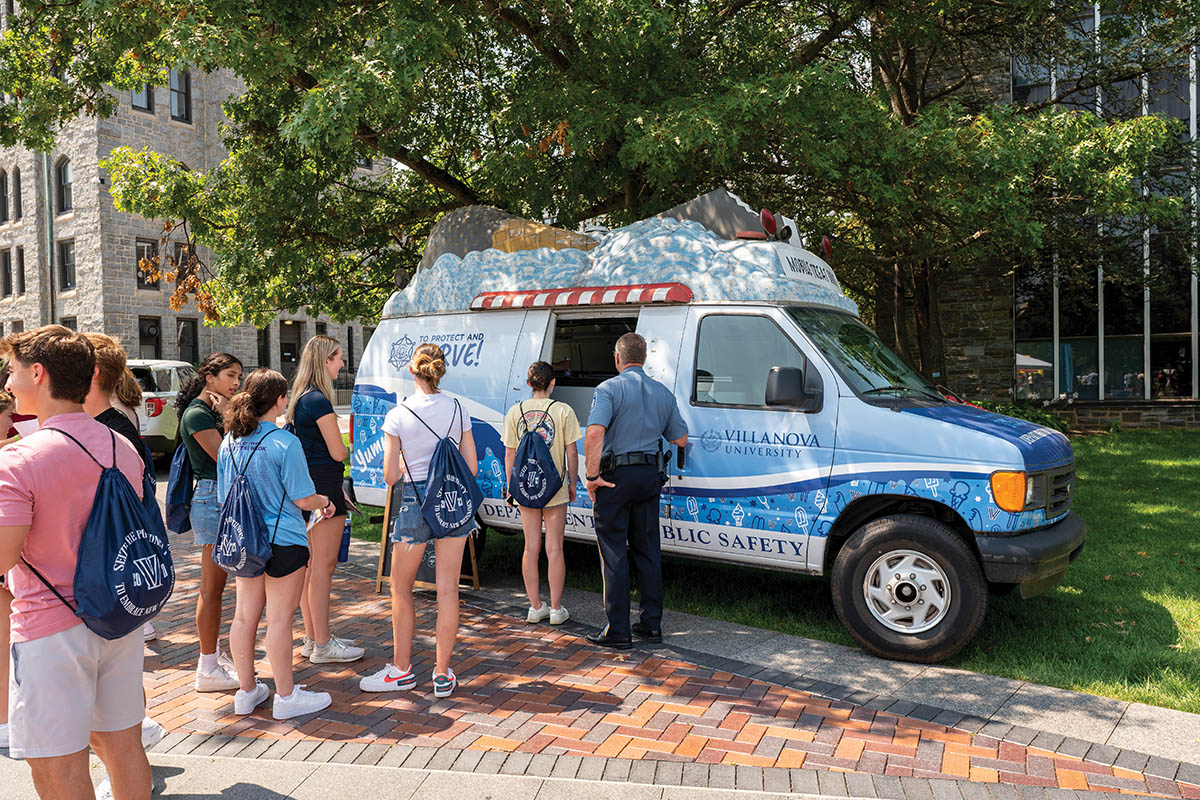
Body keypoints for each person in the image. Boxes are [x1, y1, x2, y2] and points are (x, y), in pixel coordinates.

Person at [0, 325, 151, 799]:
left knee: (56, 765)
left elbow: (3, 557)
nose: (7, 380)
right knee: (123, 746)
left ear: (38, 374)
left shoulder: (20, 459)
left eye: (13, 369)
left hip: (50, 627)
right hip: (118, 615)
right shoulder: (119, 445)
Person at [358, 343, 477, 698]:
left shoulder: (398, 415)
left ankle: (401, 669)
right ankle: (442, 674)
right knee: (448, 591)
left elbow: (391, 475)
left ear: (412, 371)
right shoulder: (458, 408)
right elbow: (470, 467)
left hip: (414, 500)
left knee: (400, 588)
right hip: (452, 501)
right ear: (440, 371)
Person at [219, 369, 337, 720]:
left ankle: (246, 690)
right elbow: (303, 498)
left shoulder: (230, 441)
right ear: (280, 400)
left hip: (244, 540)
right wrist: (326, 501)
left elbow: (225, 495)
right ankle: (286, 696)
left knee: (243, 617)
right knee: (280, 620)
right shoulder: (285, 442)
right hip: (284, 540)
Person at [584, 332, 687, 649]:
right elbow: (680, 439)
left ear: (618, 358)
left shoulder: (608, 390)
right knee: (647, 549)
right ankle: (651, 625)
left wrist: (591, 476)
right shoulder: (662, 393)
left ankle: (618, 631)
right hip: (649, 477)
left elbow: (594, 433)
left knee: (614, 551)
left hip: (615, 478)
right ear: (644, 359)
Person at [285, 335, 362, 664]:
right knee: (323, 569)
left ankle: (314, 638)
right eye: (338, 358)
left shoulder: (300, 398)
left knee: (310, 567)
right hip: (325, 490)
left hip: (308, 489)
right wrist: (350, 444)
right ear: (324, 361)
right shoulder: (318, 400)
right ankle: (323, 643)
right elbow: (338, 450)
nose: (342, 364)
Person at [177, 352, 244, 692]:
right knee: (211, 588)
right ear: (209, 377)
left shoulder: (213, 411)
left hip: (223, 498)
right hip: (211, 499)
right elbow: (228, 457)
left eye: (239, 377)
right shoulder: (198, 414)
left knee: (220, 587)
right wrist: (228, 415)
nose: (236, 382)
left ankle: (214, 658)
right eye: (230, 375)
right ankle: (206, 666)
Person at [501, 361, 580, 625]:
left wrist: (512, 488)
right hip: (554, 488)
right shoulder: (564, 411)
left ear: (529, 384)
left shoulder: (515, 411)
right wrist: (572, 483)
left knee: (530, 547)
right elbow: (571, 451)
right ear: (553, 383)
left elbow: (509, 453)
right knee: (554, 548)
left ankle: (535, 606)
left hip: (525, 486)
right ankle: (556, 609)